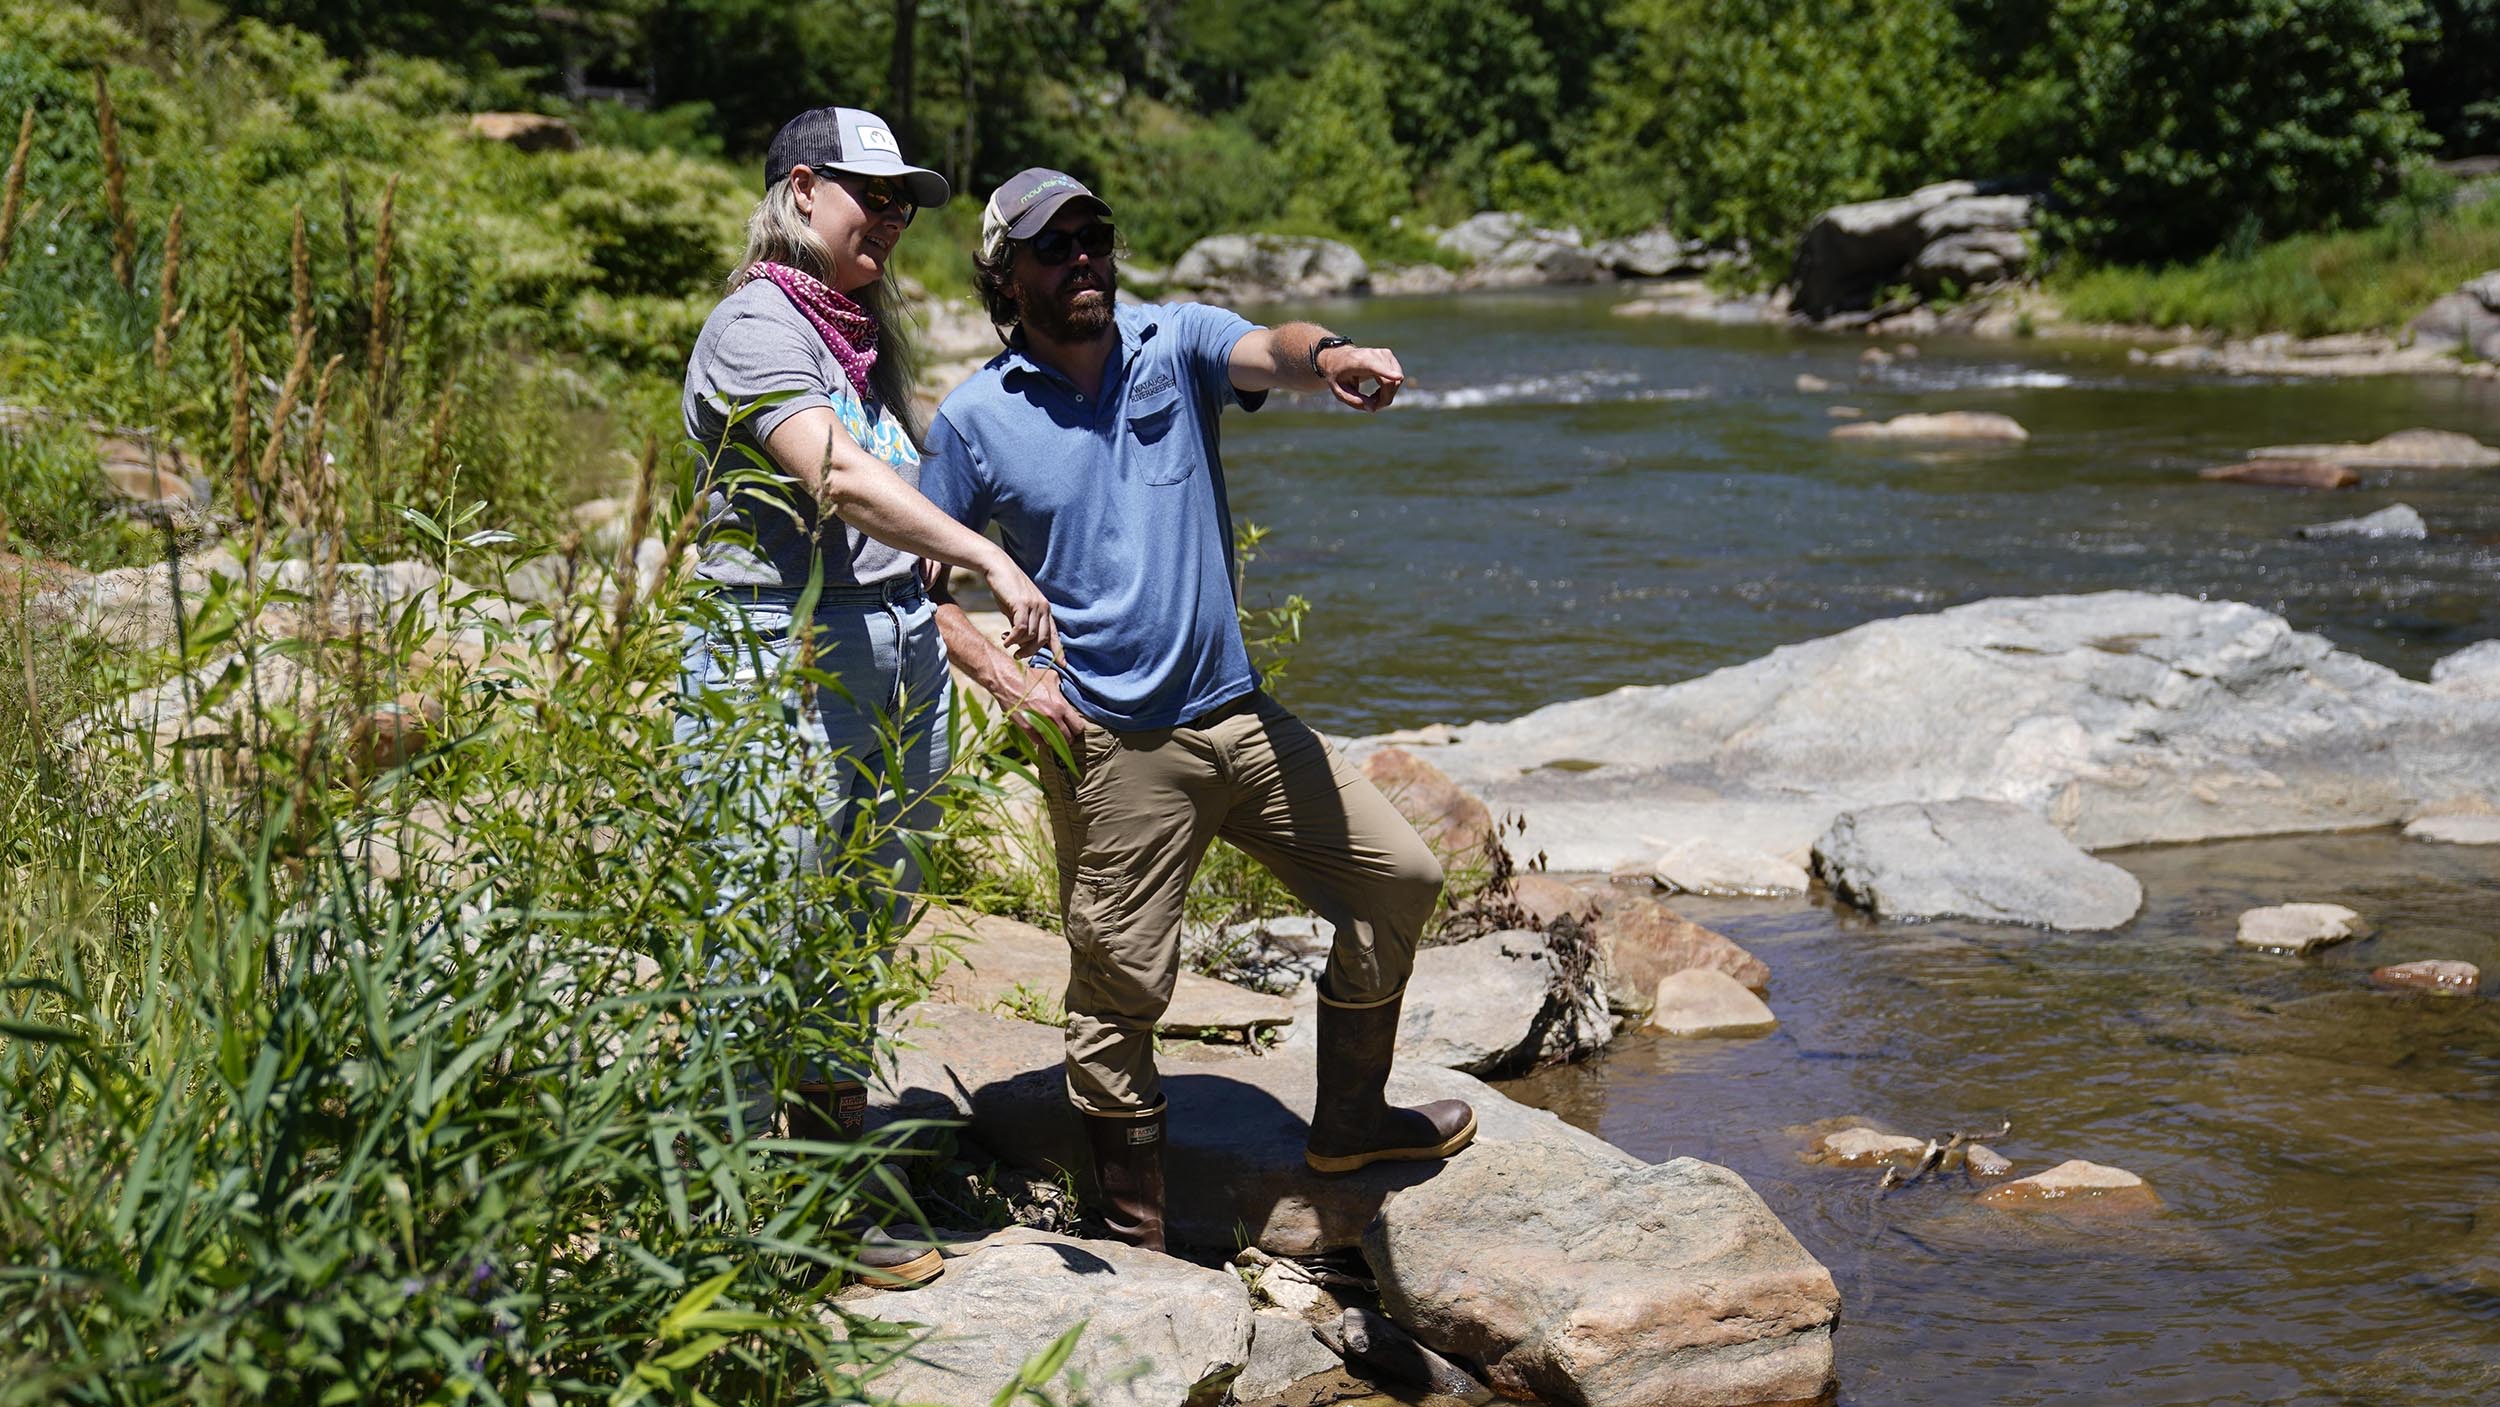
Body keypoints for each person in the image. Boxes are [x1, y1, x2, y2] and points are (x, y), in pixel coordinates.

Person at [918, 169, 1475, 1253]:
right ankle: (1132, 1227)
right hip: (1116, 747)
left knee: (1401, 878)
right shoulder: (975, 421)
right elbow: (921, 590)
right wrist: (1008, 679)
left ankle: (1350, 1123)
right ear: (1005, 274)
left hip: (1242, 721)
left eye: (1095, 237)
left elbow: (1270, 345)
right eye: (1053, 247)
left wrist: (1335, 358)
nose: (1082, 258)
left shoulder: (1168, 343)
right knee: (1122, 986)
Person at [677, 107, 1054, 1287]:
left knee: (854, 921)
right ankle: (728, 1225)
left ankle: (830, 1185)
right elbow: (836, 479)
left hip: (889, 649)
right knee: (760, 927)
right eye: (868, 195)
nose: (890, 218)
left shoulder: (854, 338)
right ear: (799, 192)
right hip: (777, 653)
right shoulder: (753, 326)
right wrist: (991, 563)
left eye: (903, 203)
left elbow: (904, 492)